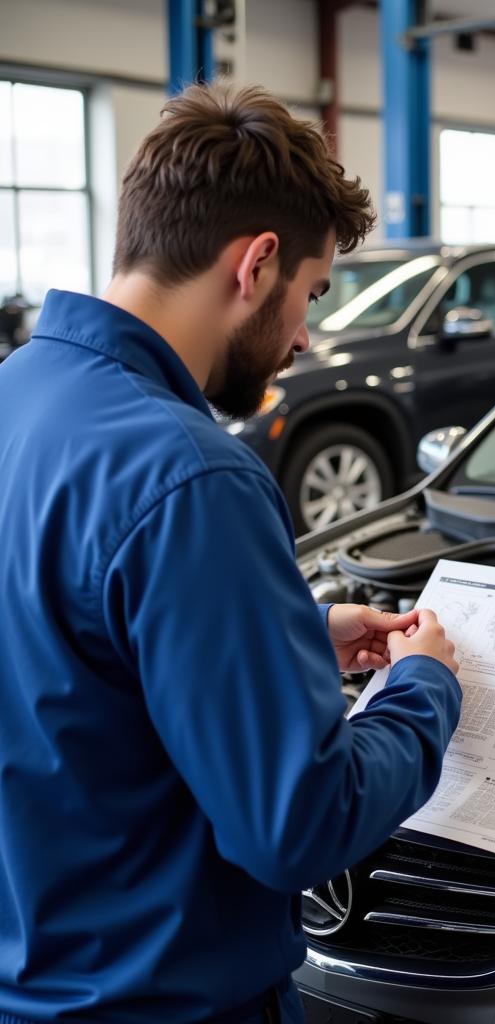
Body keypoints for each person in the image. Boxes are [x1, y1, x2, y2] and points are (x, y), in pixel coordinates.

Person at [0, 84, 461, 1024]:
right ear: (256, 263)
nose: (304, 337)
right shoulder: (192, 474)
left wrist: (286, 632)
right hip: (165, 1000)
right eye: (313, 293)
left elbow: (62, 663)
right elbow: (299, 822)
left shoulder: (17, 398)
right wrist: (424, 691)